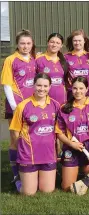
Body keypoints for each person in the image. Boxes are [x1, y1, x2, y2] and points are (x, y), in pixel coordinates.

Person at [9, 73, 60, 195]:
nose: (42, 89)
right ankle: (18, 180)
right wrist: (22, 148)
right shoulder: (22, 106)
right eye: (39, 85)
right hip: (28, 156)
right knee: (28, 193)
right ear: (33, 85)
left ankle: (34, 178)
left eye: (45, 86)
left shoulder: (55, 105)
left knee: (47, 191)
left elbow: (58, 131)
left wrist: (58, 149)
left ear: (50, 87)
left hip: (48, 155)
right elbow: (15, 132)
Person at [1, 29, 37, 192]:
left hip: (32, 106)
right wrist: (15, 106)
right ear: (17, 44)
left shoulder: (33, 59)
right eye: (22, 43)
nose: (25, 46)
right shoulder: (10, 59)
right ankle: (16, 175)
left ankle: (31, 170)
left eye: (28, 43)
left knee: (31, 137)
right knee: (16, 139)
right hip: (15, 106)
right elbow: (7, 84)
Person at [56, 76, 89, 191]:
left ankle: (82, 174)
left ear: (87, 89)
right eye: (75, 88)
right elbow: (59, 133)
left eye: (81, 88)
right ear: (71, 89)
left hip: (88, 148)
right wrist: (71, 144)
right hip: (70, 148)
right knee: (67, 188)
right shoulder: (64, 108)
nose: (78, 91)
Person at [35, 33, 68, 105]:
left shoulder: (64, 60)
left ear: (61, 46)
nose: (54, 45)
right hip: (44, 100)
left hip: (61, 100)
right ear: (48, 43)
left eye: (57, 43)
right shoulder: (39, 59)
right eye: (52, 42)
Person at [64, 29, 89, 99]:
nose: (77, 43)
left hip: (88, 93)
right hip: (72, 93)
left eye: (79, 40)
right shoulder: (65, 57)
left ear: (84, 41)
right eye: (75, 41)